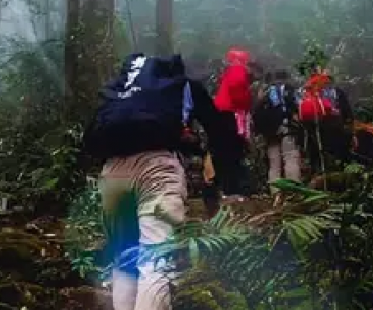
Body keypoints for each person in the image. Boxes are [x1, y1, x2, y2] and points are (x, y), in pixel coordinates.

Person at [82, 53, 238, 310]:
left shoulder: (122, 88)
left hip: (111, 172)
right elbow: (218, 127)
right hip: (156, 169)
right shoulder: (181, 85)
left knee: (125, 260)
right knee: (155, 261)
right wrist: (218, 171)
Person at [212, 47, 254, 199]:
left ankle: (225, 188)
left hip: (223, 114)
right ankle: (233, 190)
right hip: (231, 115)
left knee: (224, 153)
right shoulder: (237, 70)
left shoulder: (229, 72)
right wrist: (245, 104)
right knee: (233, 153)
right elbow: (238, 91)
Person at [297, 66, 354, 178]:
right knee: (339, 153)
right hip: (334, 128)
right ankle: (340, 173)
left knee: (318, 153)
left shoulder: (305, 92)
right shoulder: (336, 92)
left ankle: (319, 173)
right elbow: (347, 112)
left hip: (314, 129)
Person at [254, 69, 301, 191]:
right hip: (287, 128)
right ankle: (293, 190)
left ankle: (275, 192)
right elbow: (298, 106)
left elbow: (256, 111)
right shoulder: (289, 90)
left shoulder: (265, 91)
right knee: (290, 157)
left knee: (274, 163)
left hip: (270, 132)